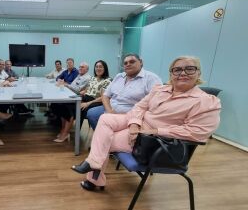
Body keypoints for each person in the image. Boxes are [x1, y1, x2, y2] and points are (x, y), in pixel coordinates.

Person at [71, 56, 221, 191]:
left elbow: (198, 132)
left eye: (189, 69)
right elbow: (140, 106)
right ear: (171, 74)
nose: (182, 73)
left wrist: (157, 131)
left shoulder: (206, 102)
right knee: (104, 119)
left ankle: (94, 178)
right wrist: (135, 124)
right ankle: (95, 165)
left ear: (198, 73)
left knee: (103, 140)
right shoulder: (160, 90)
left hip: (154, 139)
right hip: (136, 122)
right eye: (177, 70)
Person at [86, 54, 162, 130]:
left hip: (130, 114)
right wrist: (109, 110)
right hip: (111, 109)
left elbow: (155, 105)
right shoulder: (119, 76)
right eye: (125, 63)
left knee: (107, 122)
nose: (128, 64)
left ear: (141, 62)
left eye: (132, 62)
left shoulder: (151, 78)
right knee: (92, 113)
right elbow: (106, 95)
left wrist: (130, 114)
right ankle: (106, 136)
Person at [53, 61, 111, 142]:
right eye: (96, 66)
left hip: (96, 101)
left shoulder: (107, 80)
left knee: (75, 108)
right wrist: (79, 94)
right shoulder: (93, 78)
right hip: (85, 97)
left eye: (100, 67)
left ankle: (67, 133)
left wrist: (87, 103)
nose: (98, 68)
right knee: (65, 104)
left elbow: (104, 97)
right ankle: (64, 131)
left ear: (105, 68)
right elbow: (87, 90)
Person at [52, 62, 92, 142]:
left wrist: (65, 85)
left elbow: (77, 90)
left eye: (83, 67)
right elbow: (74, 86)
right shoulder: (79, 75)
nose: (80, 68)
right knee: (58, 105)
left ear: (87, 69)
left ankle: (65, 133)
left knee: (66, 108)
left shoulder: (87, 78)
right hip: (72, 96)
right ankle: (63, 130)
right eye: (80, 67)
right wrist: (65, 84)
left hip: (79, 98)